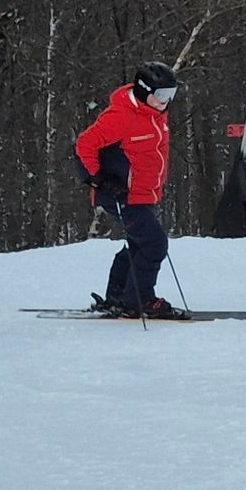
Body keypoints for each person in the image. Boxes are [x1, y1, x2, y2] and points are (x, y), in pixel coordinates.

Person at [75, 62, 183, 319]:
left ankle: (118, 297)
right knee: (155, 245)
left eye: (170, 96)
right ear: (145, 91)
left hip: (144, 194)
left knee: (139, 245)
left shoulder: (155, 114)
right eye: (161, 96)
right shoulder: (121, 116)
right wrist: (99, 178)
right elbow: (84, 144)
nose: (165, 102)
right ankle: (140, 300)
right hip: (124, 195)